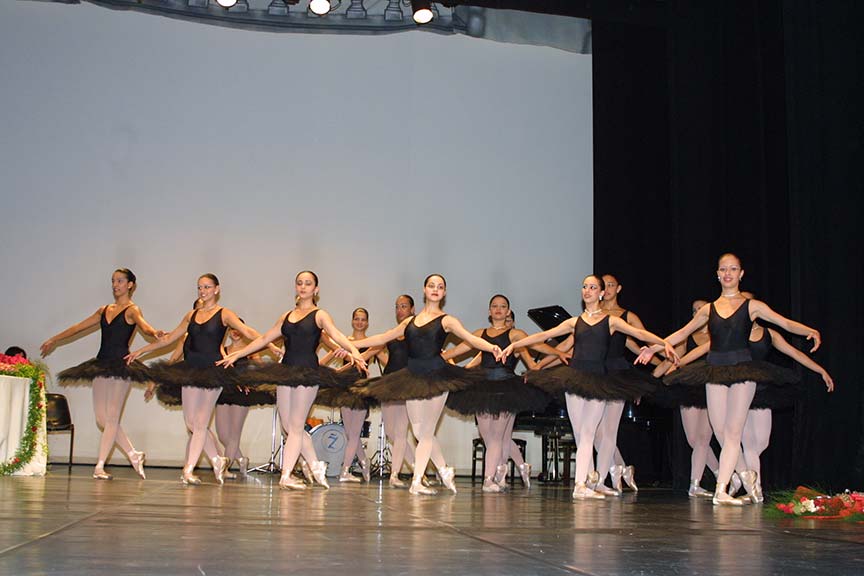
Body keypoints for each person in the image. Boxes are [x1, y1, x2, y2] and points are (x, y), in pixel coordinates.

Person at [639, 254, 822, 505]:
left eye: (733, 269)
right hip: (715, 369)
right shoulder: (708, 309)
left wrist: (809, 330)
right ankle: (745, 478)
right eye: (723, 269)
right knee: (720, 431)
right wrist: (654, 348)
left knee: (734, 432)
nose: (728, 273)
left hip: (743, 371)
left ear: (741, 274)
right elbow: (683, 332)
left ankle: (721, 489)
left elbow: (785, 323)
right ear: (717, 274)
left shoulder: (752, 306)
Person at [503, 274, 675, 500]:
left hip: (598, 381)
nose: (587, 291)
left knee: (588, 432)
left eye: (593, 287)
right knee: (579, 433)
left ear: (601, 293)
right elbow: (545, 335)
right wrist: (514, 345)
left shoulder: (611, 321)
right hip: (574, 377)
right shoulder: (574, 322)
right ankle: (588, 481)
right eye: (585, 287)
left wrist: (664, 343)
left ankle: (581, 484)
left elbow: (639, 333)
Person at [668, 291, 834, 502]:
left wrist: (820, 369)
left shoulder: (769, 334)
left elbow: (794, 351)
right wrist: (676, 367)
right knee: (740, 439)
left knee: (761, 442)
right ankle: (754, 488)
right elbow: (701, 350)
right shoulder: (731, 332)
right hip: (736, 390)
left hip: (761, 392)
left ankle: (748, 479)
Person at [351, 274, 504, 496]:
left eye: (440, 287)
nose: (435, 289)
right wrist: (351, 344)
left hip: (437, 376)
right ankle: (443, 468)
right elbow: (382, 338)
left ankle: (417, 481)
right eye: (431, 285)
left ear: (444, 293)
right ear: (424, 289)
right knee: (419, 431)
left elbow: (470, 339)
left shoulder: (447, 321)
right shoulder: (409, 322)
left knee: (426, 431)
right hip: (413, 377)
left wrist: (491, 347)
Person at [217, 270, 367, 490]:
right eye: (300, 283)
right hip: (286, 372)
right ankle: (315, 465)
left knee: (296, 426)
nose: (303, 287)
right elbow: (265, 338)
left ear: (316, 289)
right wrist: (238, 354)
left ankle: (286, 474)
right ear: (296, 287)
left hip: (307, 372)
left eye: (308, 283)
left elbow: (336, 335)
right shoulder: (286, 316)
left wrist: (354, 352)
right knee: (288, 426)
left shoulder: (320, 315)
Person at [126, 273, 264, 485]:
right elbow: (169, 339)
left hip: (213, 373)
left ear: (216, 289)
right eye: (200, 287)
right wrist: (141, 351)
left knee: (200, 423)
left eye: (207, 287)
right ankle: (217, 459)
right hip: (190, 371)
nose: (203, 291)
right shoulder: (191, 315)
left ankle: (188, 470)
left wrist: (269, 343)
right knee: (191, 423)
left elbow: (246, 331)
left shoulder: (224, 314)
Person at [41, 268, 163, 480]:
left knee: (112, 417)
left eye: (120, 281)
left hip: (121, 366)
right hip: (101, 364)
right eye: (113, 281)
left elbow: (145, 327)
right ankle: (133, 454)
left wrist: (155, 333)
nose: (115, 285)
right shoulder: (104, 310)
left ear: (130, 285)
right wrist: (55, 339)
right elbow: (78, 327)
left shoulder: (132, 310)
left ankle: (99, 466)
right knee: (102, 419)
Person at [442, 295, 561, 492]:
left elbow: (536, 345)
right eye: (495, 306)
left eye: (503, 306)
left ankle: (489, 479)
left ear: (508, 312)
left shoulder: (514, 334)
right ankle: (501, 471)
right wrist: (440, 356)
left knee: (498, 437)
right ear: (489, 311)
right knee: (487, 435)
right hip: (482, 387)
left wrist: (559, 353)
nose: (498, 309)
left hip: (506, 388)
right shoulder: (480, 334)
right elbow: (462, 348)